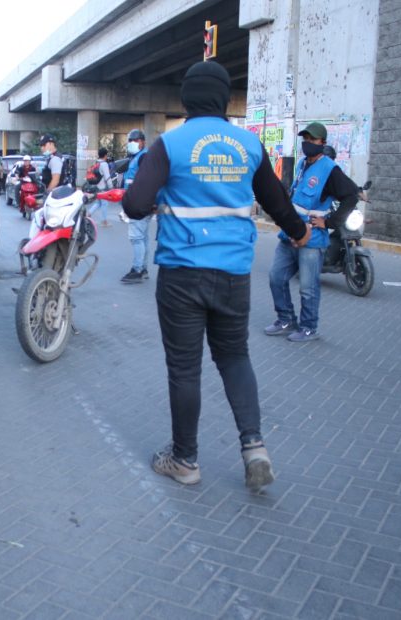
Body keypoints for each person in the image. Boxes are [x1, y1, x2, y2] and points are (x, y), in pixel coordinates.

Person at [122, 60, 311, 490]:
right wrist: (299, 233)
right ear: (224, 99)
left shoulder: (170, 145)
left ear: (187, 98)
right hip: (233, 273)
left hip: (181, 274)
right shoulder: (248, 144)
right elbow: (277, 203)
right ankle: (254, 446)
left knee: (185, 369)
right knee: (234, 356)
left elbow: (135, 205)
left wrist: (156, 200)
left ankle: (185, 461)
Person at [264, 122, 358, 342]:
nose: (307, 143)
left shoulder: (330, 169)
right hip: (290, 233)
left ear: (322, 142)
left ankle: (308, 328)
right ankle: (286, 319)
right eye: (305, 139)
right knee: (276, 277)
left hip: (313, 238)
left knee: (308, 288)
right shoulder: (302, 164)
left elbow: (351, 196)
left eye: (312, 140)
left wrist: (330, 222)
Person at [121, 128, 151, 283]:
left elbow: (145, 180)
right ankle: (143, 268)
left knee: (136, 238)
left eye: (136, 140)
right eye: (130, 141)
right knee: (143, 237)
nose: (132, 143)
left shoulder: (143, 157)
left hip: (139, 201)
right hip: (141, 201)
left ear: (142, 141)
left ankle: (137, 270)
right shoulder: (138, 156)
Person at [87, 147, 113, 227]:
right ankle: (104, 221)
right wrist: (111, 186)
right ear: (105, 155)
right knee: (104, 204)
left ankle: (88, 213)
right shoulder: (104, 164)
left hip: (96, 186)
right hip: (102, 187)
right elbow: (107, 176)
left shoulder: (97, 163)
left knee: (98, 202)